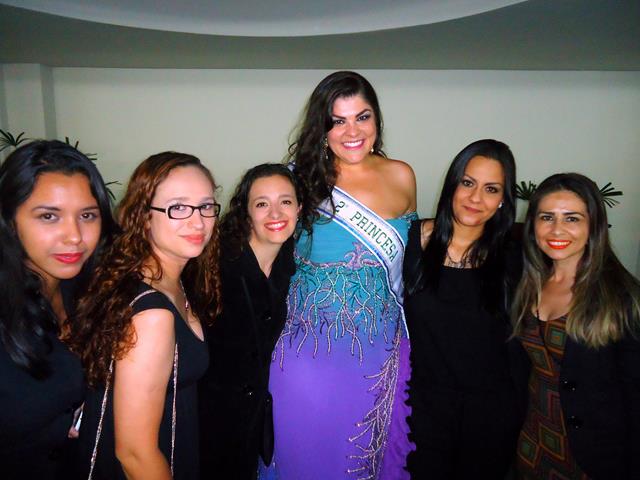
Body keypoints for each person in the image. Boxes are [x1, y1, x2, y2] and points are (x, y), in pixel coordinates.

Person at [265, 71, 417, 479]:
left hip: (378, 354)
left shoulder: (402, 175)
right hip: (307, 354)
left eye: (362, 117)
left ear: (376, 119)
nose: (352, 132)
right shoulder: (296, 180)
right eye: (338, 121)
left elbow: (410, 261)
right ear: (322, 126)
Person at [69, 152, 221, 479]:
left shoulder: (168, 282)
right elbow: (135, 453)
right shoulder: (151, 313)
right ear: (144, 216)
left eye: (206, 206)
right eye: (178, 207)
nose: (198, 222)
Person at [402, 139, 523, 479]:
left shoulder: (517, 259)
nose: (475, 198)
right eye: (467, 183)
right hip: (421, 412)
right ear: (452, 185)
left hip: (489, 419)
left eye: (491, 189)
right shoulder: (411, 240)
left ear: (503, 200)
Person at [512, 173, 640, 479]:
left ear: (593, 226)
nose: (557, 229)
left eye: (572, 218)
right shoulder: (527, 284)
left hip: (592, 456)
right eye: (547, 217)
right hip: (531, 444)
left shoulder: (623, 299)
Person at [0, 140, 116, 479]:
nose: (74, 236)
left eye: (87, 215)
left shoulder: (80, 290)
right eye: (49, 216)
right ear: (10, 220)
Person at [199, 163, 306, 479]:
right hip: (205, 423)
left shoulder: (291, 264)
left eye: (285, 201)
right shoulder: (213, 264)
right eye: (261, 204)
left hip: (252, 423)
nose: (276, 213)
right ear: (246, 214)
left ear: (299, 208)